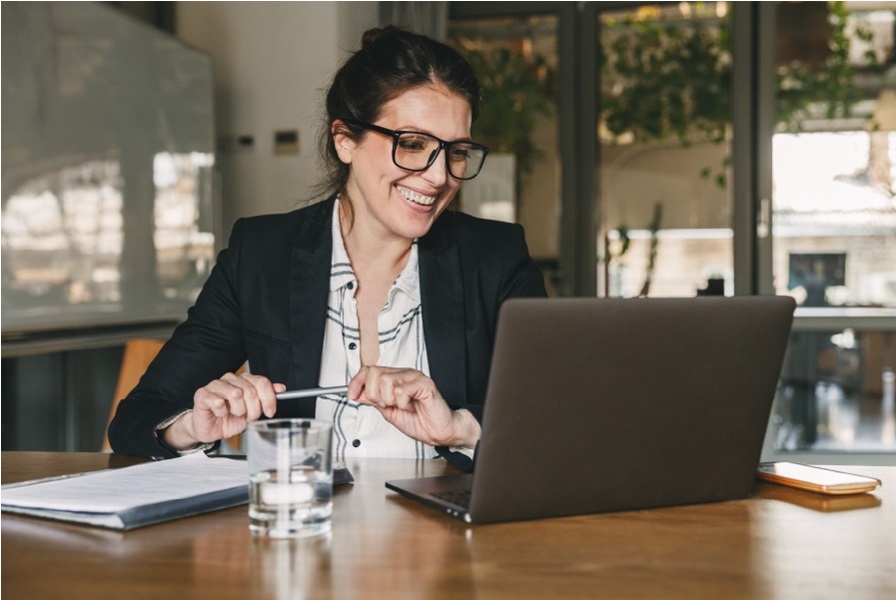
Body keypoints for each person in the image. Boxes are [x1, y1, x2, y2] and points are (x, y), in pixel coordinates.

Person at [108, 26, 547, 469]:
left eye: (456, 152)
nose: (438, 176)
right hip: (301, 525)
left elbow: (555, 423)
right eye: (413, 145)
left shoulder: (495, 258)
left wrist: (460, 427)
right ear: (345, 141)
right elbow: (137, 417)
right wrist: (193, 426)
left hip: (447, 534)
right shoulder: (261, 255)